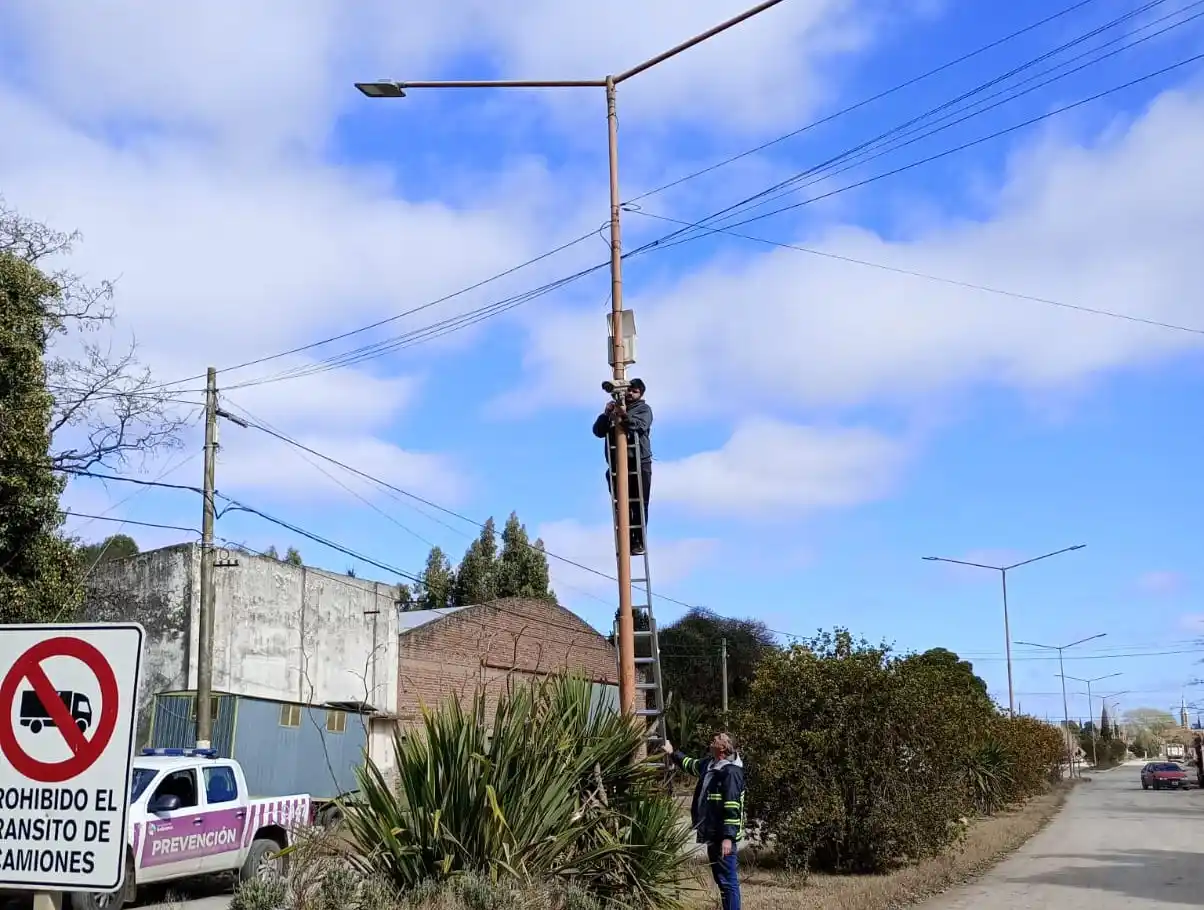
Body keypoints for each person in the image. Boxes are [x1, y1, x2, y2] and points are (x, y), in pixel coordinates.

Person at [663, 733, 745, 910]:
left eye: (719, 738)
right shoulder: (710, 764)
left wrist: (728, 838)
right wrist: (672, 753)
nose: (714, 738)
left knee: (728, 882)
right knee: (721, 880)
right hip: (712, 832)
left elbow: (732, 806)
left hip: (722, 836)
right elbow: (691, 764)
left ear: (723, 747)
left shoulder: (731, 771)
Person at [591, 378, 653, 555]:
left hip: (639, 463)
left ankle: (638, 542)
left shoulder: (643, 409)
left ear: (640, 393)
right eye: (628, 391)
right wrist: (606, 414)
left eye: (634, 391)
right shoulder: (614, 411)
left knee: (638, 504)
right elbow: (598, 432)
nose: (629, 394)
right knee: (622, 504)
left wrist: (623, 414)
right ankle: (625, 538)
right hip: (617, 465)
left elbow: (638, 426)